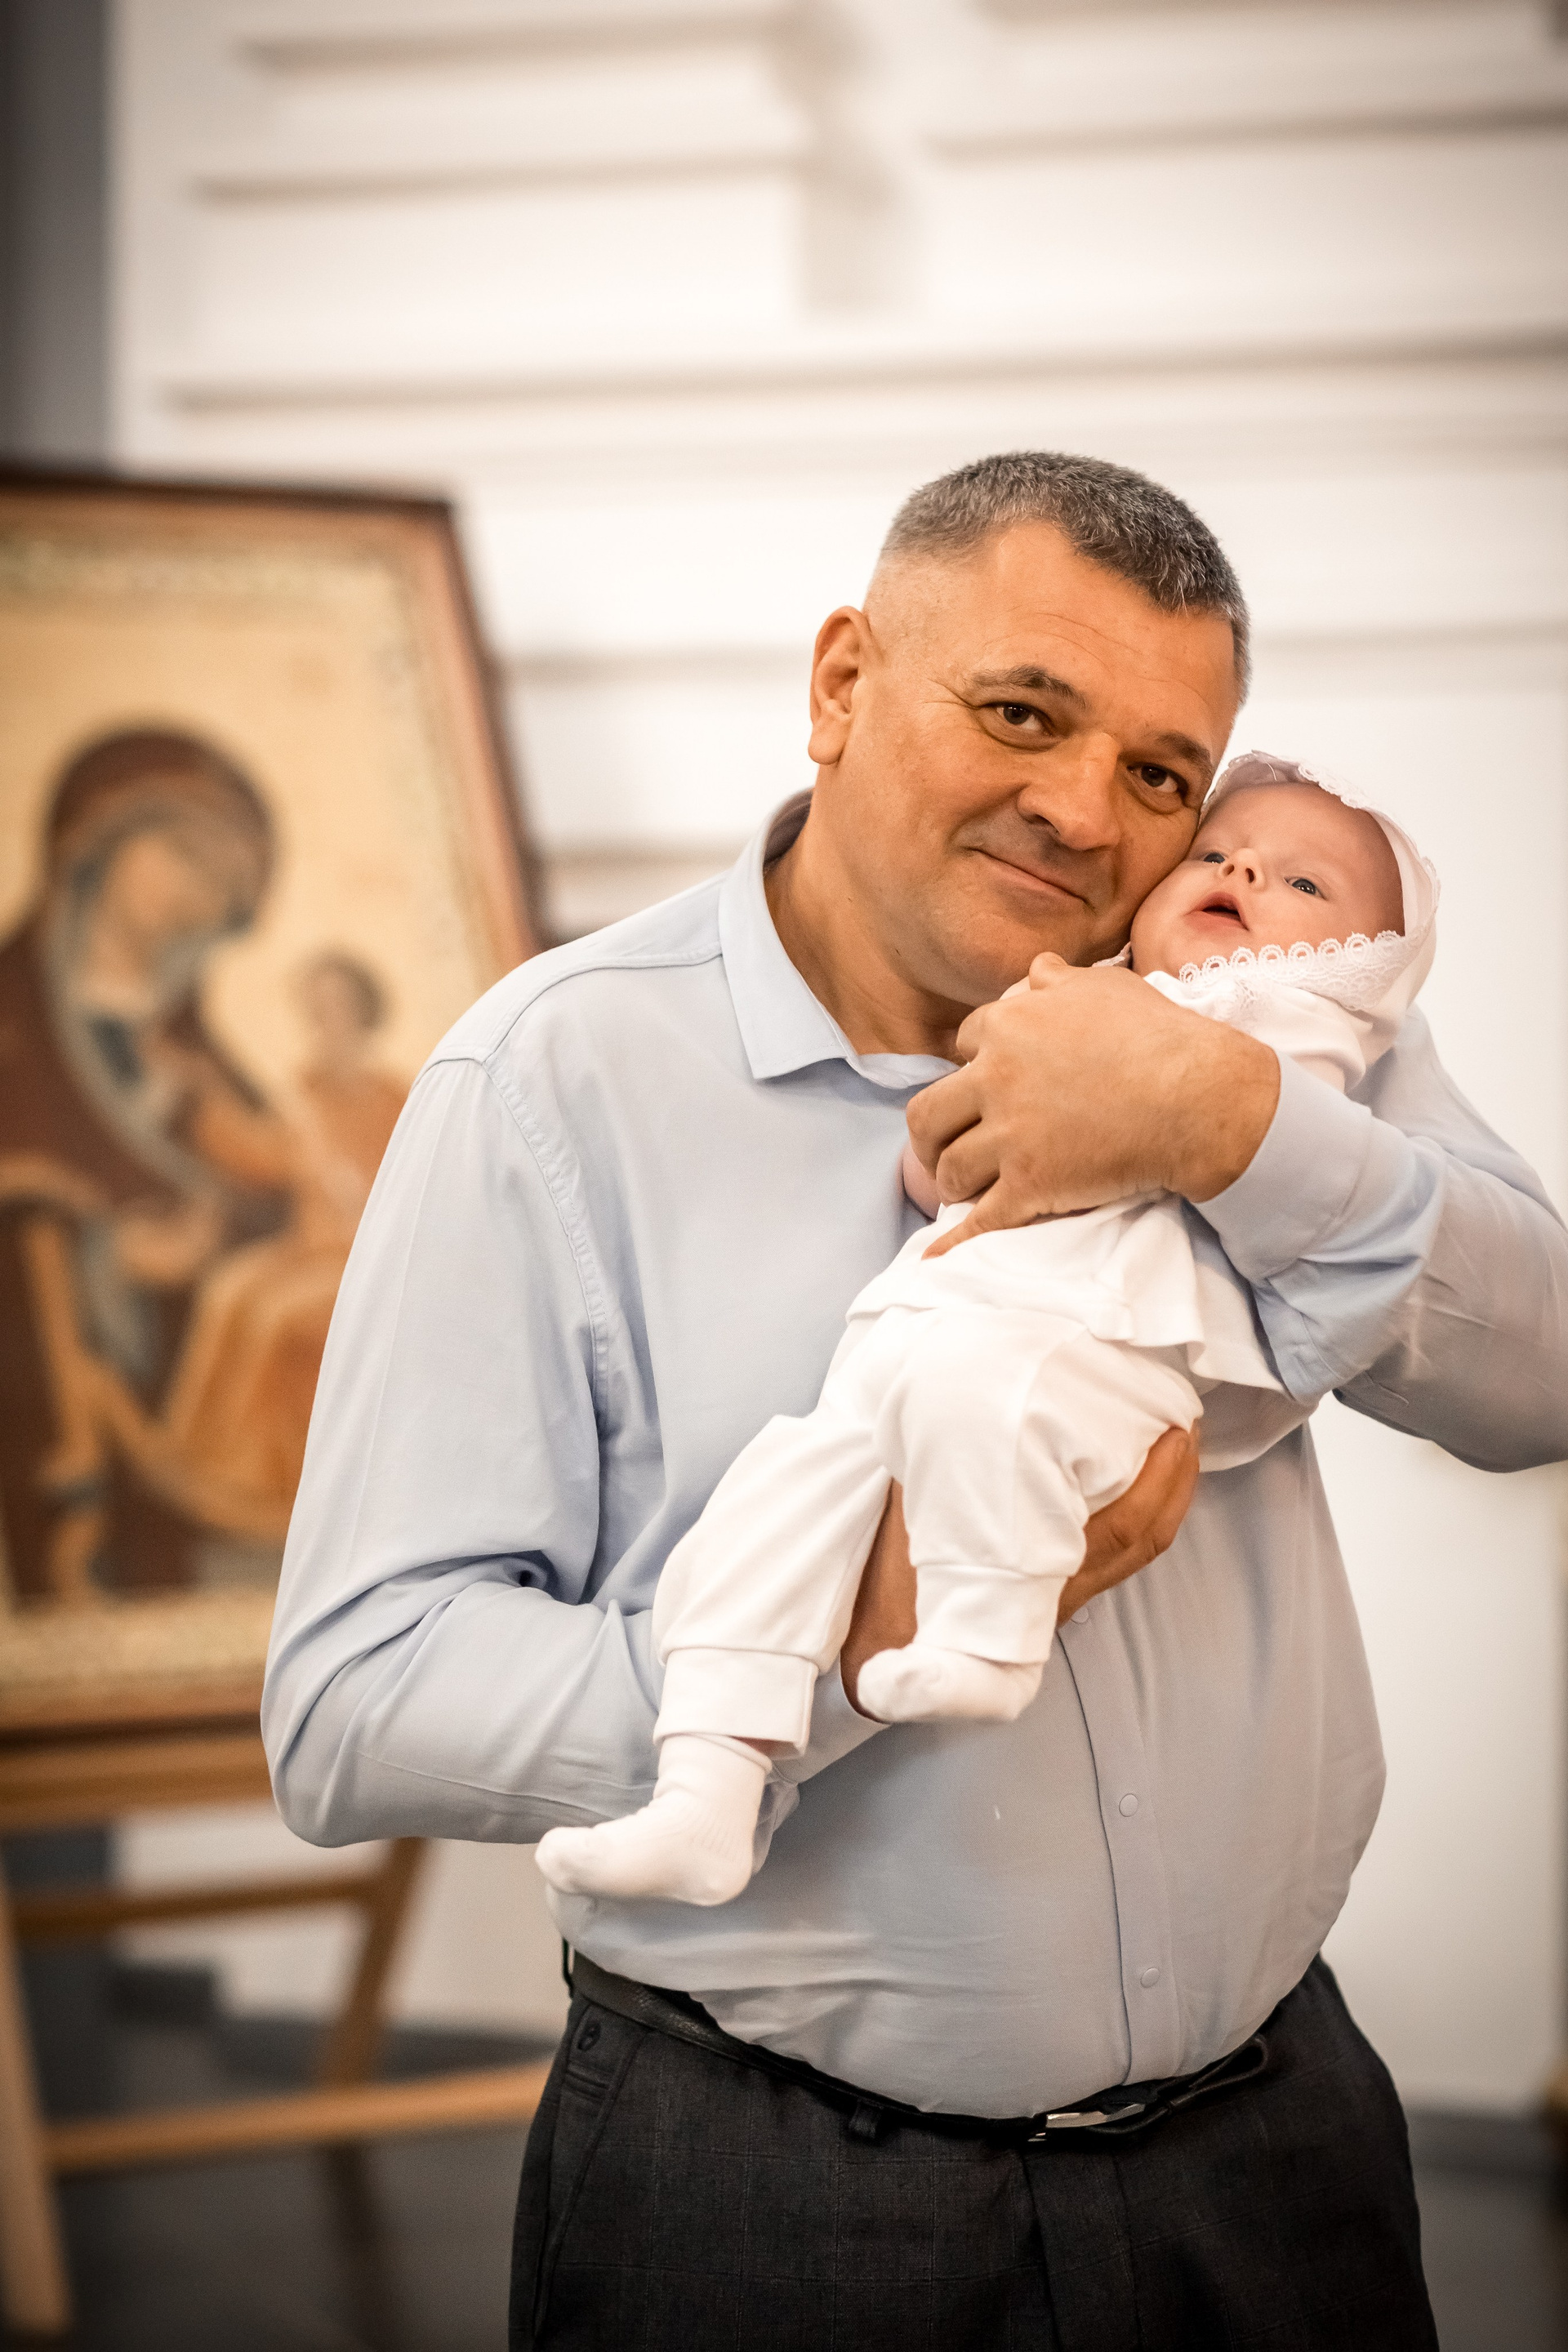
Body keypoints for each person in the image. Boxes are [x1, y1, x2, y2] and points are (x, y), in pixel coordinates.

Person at [264, 452, 1568, 2349]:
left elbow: (1544, 1377)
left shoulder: (1262, 1003)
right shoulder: (553, 1082)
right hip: (769, 2193)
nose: (1087, 814)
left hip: (1283, 2151)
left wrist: (1223, 1124)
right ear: (843, 682)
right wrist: (845, 1643)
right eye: (1022, 714)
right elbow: (354, 1702)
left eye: (1161, 774)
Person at [532, 760, 1436, 1908]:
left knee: (985, 1408)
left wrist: (1154, 1081)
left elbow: (1237, 1116)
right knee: (772, 1500)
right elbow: (948, 1158)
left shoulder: (1296, 1028)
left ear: (1366, 968)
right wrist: (958, 1139)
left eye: (1303, 885)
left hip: (1103, 1334)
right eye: (1214, 854)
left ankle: (986, 1639)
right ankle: (705, 1785)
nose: (1244, 870)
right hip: (930, 1314)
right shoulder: (1078, 998)